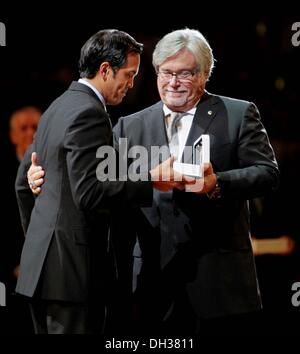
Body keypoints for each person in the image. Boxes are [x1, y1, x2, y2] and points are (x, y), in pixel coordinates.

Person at [28, 28, 280, 337]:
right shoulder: (128, 126)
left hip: (220, 282)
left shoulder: (239, 114)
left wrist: (218, 183)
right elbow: (99, 187)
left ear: (204, 74)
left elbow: (268, 173)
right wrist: (42, 177)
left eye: (184, 74)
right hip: (150, 283)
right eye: (165, 73)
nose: (172, 82)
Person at [15, 29, 192, 335]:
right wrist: (150, 178)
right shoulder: (90, 112)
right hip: (72, 278)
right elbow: (90, 193)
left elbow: (22, 181)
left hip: (41, 274)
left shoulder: (56, 108)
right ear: (105, 70)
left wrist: (40, 244)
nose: (132, 84)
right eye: (129, 74)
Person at [0, 106, 41, 334]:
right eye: (23, 128)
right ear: (12, 135)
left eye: (35, 127)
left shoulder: (57, 168)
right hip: (9, 272)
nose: (29, 134)